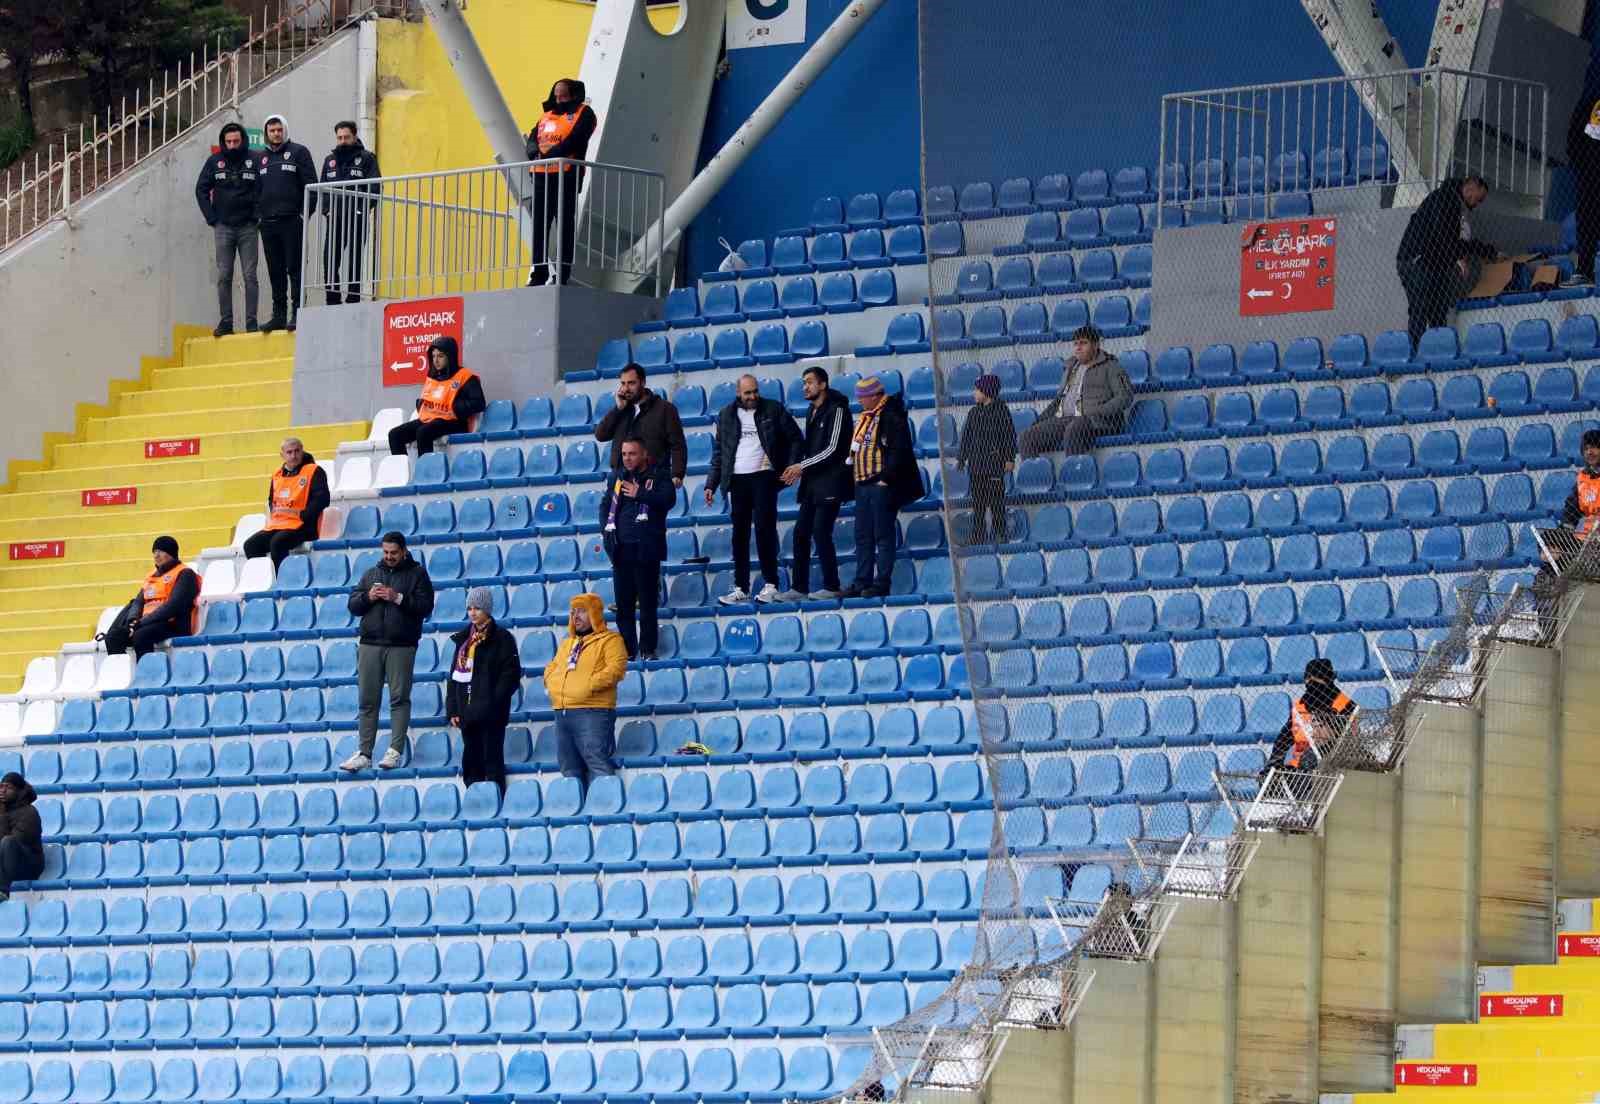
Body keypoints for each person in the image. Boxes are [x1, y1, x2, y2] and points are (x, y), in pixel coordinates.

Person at [705, 374, 803, 604]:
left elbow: (796, 439)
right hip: (737, 480)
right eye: (747, 393)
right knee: (739, 536)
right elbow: (720, 453)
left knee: (764, 530)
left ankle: (771, 584)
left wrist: (790, 466)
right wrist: (711, 483)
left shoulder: (773, 409)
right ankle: (741, 587)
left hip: (764, 478)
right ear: (738, 393)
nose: (752, 396)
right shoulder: (726, 415)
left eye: (755, 391)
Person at [343, 531, 435, 771]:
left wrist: (398, 598)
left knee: (399, 698)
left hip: (401, 645)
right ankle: (364, 752)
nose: (389, 556)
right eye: (385, 552)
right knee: (367, 700)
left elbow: (425, 607)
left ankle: (395, 751)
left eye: (394, 552)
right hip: (370, 644)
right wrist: (368, 597)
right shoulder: (371, 573)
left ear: (404, 551)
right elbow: (353, 605)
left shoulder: (418, 574)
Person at [1396, 175, 1498, 351]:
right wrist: (1481, 250)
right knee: (1421, 309)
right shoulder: (1445, 201)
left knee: (1437, 310)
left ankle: (1437, 351)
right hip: (1418, 261)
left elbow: (1448, 242)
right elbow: (1446, 240)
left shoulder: (1450, 201)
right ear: (1470, 188)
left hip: (1431, 263)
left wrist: (1466, 252)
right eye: (1478, 199)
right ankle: (1417, 353)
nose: (1477, 204)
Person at [777, 365, 853, 601]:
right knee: (800, 533)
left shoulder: (838, 409)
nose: (805, 387)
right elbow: (810, 448)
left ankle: (832, 586)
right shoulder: (811, 411)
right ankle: (799, 587)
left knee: (821, 532)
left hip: (832, 482)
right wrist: (797, 466)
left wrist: (802, 466)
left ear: (823, 384)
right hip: (812, 484)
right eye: (804, 382)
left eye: (809, 382)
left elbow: (833, 449)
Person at [543, 593, 629, 796]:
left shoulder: (611, 640)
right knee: (568, 768)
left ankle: (608, 810)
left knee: (596, 763)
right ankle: (578, 814)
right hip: (562, 712)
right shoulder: (567, 643)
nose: (576, 616)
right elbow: (552, 667)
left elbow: (616, 669)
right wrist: (553, 684)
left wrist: (587, 685)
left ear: (595, 614)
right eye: (573, 612)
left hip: (593, 711)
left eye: (582, 611)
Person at [846, 376, 924, 598]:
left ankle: (881, 582)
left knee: (882, 535)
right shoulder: (866, 417)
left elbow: (898, 450)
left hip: (880, 484)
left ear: (874, 396)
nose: (859, 401)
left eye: (862, 397)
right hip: (862, 483)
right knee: (863, 535)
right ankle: (862, 581)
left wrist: (886, 479)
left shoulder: (890, 416)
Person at [602, 437, 676, 661]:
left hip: (647, 548)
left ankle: (647, 649)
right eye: (624, 454)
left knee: (647, 604)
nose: (627, 458)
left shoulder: (659, 475)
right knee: (623, 607)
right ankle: (628, 651)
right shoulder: (616, 477)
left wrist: (640, 493)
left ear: (644, 454)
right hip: (621, 549)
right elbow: (605, 505)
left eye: (632, 454)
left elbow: (668, 499)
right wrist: (606, 532)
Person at [446, 587, 522, 795]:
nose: (472, 613)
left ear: (487, 609)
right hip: (467, 714)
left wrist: (493, 702)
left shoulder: (503, 638)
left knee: (492, 762)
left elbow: (510, 676)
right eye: (469, 608)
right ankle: (476, 804)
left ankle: (496, 805)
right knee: (471, 763)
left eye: (477, 608)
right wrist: (453, 708)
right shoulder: (463, 641)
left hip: (492, 715)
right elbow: (454, 678)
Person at [1018, 325, 1132, 458]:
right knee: (1026, 436)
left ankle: (1074, 474)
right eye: (1076, 344)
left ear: (1096, 345)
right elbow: (1058, 401)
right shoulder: (1070, 368)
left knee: (1074, 428)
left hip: (1096, 421)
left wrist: (1099, 411)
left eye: (1083, 343)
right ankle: (1034, 477)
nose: (1078, 347)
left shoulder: (1111, 366)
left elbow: (1125, 396)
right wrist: (1038, 423)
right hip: (1065, 420)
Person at [526, 79, 597, 287]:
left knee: (564, 227)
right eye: (556, 95)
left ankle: (562, 274)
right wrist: (533, 153)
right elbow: (532, 138)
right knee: (540, 226)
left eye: (563, 96)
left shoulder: (585, 113)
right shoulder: (546, 115)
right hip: (541, 177)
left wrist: (552, 155)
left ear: (574, 95)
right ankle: (538, 274)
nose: (558, 99)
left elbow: (576, 139)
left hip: (566, 177)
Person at [194, 121, 260, 337]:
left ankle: (251, 323)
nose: (232, 145)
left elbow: (264, 188)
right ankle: (226, 321)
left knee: (250, 275)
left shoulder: (255, 160)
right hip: (223, 227)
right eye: (228, 141)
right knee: (224, 275)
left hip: (248, 227)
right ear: (223, 142)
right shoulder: (214, 161)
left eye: (236, 141)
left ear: (243, 141)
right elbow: (201, 189)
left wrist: (257, 215)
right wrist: (211, 218)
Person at [255, 113, 319, 332]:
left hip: (292, 221)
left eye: (279, 130)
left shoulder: (299, 152)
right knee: (275, 270)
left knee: (295, 268)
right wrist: (259, 217)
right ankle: (279, 315)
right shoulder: (260, 158)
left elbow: (311, 186)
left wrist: (304, 215)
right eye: (272, 130)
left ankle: (297, 312)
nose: (276, 134)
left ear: (285, 130)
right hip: (268, 224)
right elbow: (255, 190)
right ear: (267, 133)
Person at [387, 336, 486, 456]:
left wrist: (456, 406)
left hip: (454, 422)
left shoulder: (466, 376)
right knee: (395, 435)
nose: (436, 360)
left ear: (450, 356)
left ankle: (426, 471)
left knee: (423, 432)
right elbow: (429, 398)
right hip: (431, 419)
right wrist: (420, 404)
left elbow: (479, 403)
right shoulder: (433, 376)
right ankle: (402, 472)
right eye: (433, 356)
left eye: (440, 356)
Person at [104, 537, 200, 658]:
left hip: (173, 624)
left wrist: (141, 623)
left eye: (160, 551)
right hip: (147, 623)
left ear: (171, 553)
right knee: (114, 637)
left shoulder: (185, 573)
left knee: (140, 635)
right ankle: (120, 674)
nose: (156, 555)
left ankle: (148, 674)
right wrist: (133, 621)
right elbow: (138, 602)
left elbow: (172, 607)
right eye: (154, 552)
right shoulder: (151, 576)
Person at [318, 120, 381, 305]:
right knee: (329, 260)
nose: (343, 141)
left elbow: (375, 187)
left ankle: (353, 298)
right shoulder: (329, 161)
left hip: (357, 218)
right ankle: (332, 299)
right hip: (335, 219)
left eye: (346, 137)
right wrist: (327, 211)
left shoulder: (367, 158)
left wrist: (363, 209)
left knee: (355, 261)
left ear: (354, 136)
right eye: (339, 137)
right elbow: (322, 188)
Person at [594, 363, 687, 487]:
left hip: (651, 481)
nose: (626, 388)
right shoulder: (622, 409)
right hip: (620, 479)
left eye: (631, 383)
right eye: (623, 383)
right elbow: (601, 435)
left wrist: (677, 474)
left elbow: (678, 444)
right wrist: (618, 409)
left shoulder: (665, 409)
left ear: (643, 382)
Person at [241, 437, 329, 568]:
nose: (294, 456)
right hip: (278, 525)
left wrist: (303, 515)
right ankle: (265, 579)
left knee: (278, 542)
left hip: (303, 525)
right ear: (282, 455)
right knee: (251, 545)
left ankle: (282, 581)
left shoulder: (313, 471)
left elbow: (322, 499)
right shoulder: (277, 475)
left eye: (297, 451)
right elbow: (272, 500)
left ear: (302, 451)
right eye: (289, 452)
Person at [1268, 658, 1357, 781]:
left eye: (1316, 679)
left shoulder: (1346, 705)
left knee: (1310, 759)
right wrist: (1273, 763)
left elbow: (1349, 742)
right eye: (1308, 679)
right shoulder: (1299, 706)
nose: (1311, 683)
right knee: (1271, 778)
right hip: (1298, 769)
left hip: (1331, 768)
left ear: (1329, 679)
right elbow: (1282, 740)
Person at [957, 373, 1017, 544]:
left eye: (977, 390)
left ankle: (1000, 533)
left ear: (987, 391)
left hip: (994, 464)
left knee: (997, 501)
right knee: (978, 504)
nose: (974, 393)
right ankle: (978, 534)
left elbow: (1008, 436)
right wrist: (962, 458)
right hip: (976, 466)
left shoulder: (1001, 410)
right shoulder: (974, 412)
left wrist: (1009, 458)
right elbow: (966, 437)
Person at [1569, 93, 1600, 287]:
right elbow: (1573, 135)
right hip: (1589, 175)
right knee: (1586, 220)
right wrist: (1581, 164)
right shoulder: (1590, 101)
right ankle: (1585, 271)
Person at [0, 773, 42, 902]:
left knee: (8, 842)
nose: (3, 791)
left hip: (27, 865)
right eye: (1, 787)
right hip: (5, 864)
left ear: (19, 791)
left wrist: (1, 816)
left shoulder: (29, 812)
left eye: (9, 788)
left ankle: (3, 891)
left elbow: (17, 841)